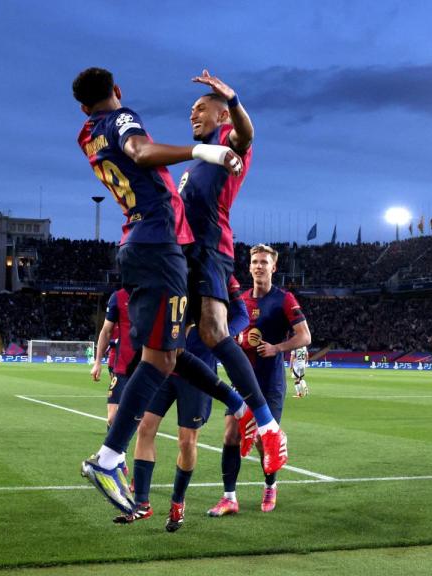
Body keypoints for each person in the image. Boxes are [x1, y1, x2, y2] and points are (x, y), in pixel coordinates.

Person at [73, 67, 268, 515]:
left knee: (168, 354)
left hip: (134, 245)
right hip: (160, 245)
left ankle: (234, 405)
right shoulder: (121, 120)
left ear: (85, 107)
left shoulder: (88, 134)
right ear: (117, 93)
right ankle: (107, 458)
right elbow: (140, 151)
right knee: (161, 360)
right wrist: (205, 151)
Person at [178, 70, 286, 459]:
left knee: (214, 333)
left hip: (210, 250)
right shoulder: (194, 161)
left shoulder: (227, 140)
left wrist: (233, 98)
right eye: (191, 109)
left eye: (201, 108)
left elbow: (248, 135)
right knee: (168, 347)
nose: (193, 114)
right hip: (184, 256)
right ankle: (242, 407)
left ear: (220, 116)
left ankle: (266, 423)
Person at [125, 276, 248, 532]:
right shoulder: (172, 265)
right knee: (145, 428)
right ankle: (141, 502)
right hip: (164, 364)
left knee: (187, 441)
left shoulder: (220, 273)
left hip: (198, 370)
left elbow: (242, 316)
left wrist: (216, 335)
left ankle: (178, 503)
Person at [208, 244, 310, 516]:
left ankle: (270, 486)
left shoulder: (284, 299)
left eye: (264, 262)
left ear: (273, 267)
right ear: (249, 266)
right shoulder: (240, 300)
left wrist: (277, 347)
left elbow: (305, 336)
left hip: (271, 381)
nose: (258, 266)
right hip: (243, 380)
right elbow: (228, 333)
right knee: (230, 433)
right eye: (255, 261)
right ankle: (229, 497)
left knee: (266, 441)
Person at [91, 288, 134, 427]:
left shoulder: (155, 293)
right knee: (112, 417)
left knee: (143, 422)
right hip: (122, 366)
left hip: (147, 366)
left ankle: (119, 448)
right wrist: (97, 362)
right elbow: (106, 331)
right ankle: (115, 448)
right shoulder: (118, 297)